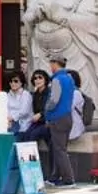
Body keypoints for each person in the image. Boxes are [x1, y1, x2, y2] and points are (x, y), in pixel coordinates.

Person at [43, 58, 78, 187]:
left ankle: (68, 179)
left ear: (55, 64)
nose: (50, 67)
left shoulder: (57, 80)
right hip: (67, 116)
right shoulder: (69, 78)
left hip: (57, 117)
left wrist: (46, 109)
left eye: (51, 64)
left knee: (59, 150)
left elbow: (54, 99)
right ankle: (55, 177)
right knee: (60, 148)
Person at [6, 71, 35, 136]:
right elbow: (6, 109)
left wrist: (12, 118)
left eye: (16, 81)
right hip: (10, 123)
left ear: (21, 82)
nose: (13, 83)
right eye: (11, 81)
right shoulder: (8, 95)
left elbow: (24, 112)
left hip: (23, 124)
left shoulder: (26, 95)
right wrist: (8, 118)